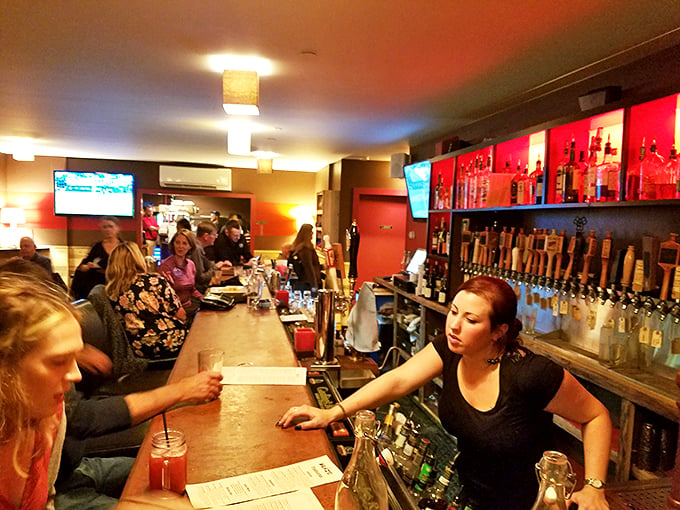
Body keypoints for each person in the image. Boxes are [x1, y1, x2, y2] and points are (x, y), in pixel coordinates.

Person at [278, 276, 612, 510]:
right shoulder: (452, 350)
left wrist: (595, 486)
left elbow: (596, 415)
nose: (454, 325)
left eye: (470, 320)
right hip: (471, 494)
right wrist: (332, 413)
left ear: (500, 331)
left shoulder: (530, 374)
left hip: (528, 501)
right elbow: (398, 380)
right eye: (454, 312)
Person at [0, 273, 83, 510]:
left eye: (76, 357)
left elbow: (47, 499)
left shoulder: (49, 414)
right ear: (6, 367)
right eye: (58, 361)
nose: (77, 375)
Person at [106, 241, 187, 360]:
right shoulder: (154, 281)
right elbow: (181, 314)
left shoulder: (111, 292)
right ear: (138, 259)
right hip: (168, 342)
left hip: (137, 348)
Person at [71, 216, 122, 299]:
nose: (108, 230)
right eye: (104, 227)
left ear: (117, 228)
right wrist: (86, 266)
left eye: (110, 226)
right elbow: (85, 263)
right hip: (98, 280)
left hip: (117, 279)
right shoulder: (97, 247)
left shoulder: (123, 247)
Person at [160, 229, 203, 319]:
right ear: (173, 244)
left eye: (184, 243)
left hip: (190, 307)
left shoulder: (191, 264)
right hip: (174, 311)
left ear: (190, 246)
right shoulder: (166, 266)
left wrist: (205, 298)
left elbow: (192, 290)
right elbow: (164, 295)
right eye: (177, 242)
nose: (180, 246)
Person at [191, 221, 226, 294]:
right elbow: (201, 278)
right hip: (197, 293)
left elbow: (209, 265)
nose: (216, 237)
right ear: (206, 236)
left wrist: (214, 267)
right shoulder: (196, 249)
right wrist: (214, 269)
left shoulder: (199, 247)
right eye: (214, 234)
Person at [288, 223, 322, 291]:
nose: (312, 233)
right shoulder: (305, 249)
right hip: (307, 283)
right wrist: (314, 286)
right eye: (311, 232)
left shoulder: (298, 248)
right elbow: (308, 268)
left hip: (301, 282)